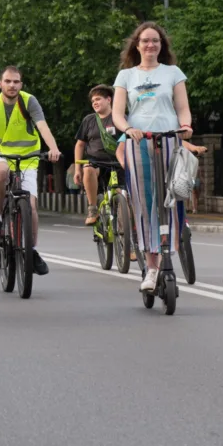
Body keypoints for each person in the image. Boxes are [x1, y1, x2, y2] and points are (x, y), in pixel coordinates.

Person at [111, 21, 193, 293]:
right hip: (139, 142)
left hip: (169, 139)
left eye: (155, 41)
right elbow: (118, 114)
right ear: (137, 45)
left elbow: (182, 108)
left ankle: (170, 250)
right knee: (145, 202)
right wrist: (128, 129)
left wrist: (185, 127)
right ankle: (151, 267)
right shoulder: (126, 76)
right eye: (145, 40)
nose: (150, 45)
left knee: (171, 197)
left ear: (161, 45)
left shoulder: (173, 73)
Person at [0, 65, 62, 276]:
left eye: (16, 82)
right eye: (8, 81)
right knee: (2, 171)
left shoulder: (29, 101)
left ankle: (31, 250)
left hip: (27, 158)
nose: (12, 85)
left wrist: (53, 148)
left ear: (21, 84)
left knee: (31, 206)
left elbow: (42, 126)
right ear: (0, 84)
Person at [73, 85, 119, 225]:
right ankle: (92, 208)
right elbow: (80, 145)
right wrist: (77, 169)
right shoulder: (89, 120)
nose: (95, 103)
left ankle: (127, 234)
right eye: (93, 101)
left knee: (123, 197)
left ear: (109, 99)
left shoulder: (119, 118)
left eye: (98, 99)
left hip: (118, 162)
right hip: (96, 162)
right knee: (88, 167)